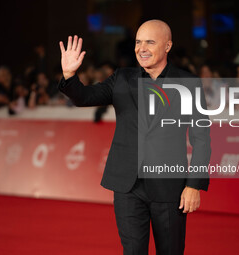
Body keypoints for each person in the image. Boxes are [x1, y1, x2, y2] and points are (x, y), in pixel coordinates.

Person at [58, 20, 211, 255]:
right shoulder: (121, 78)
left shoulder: (188, 84)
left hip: (169, 187)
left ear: (168, 45)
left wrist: (194, 185)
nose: (142, 48)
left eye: (150, 42)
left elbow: (201, 138)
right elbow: (85, 97)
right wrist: (69, 76)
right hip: (127, 185)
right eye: (138, 42)